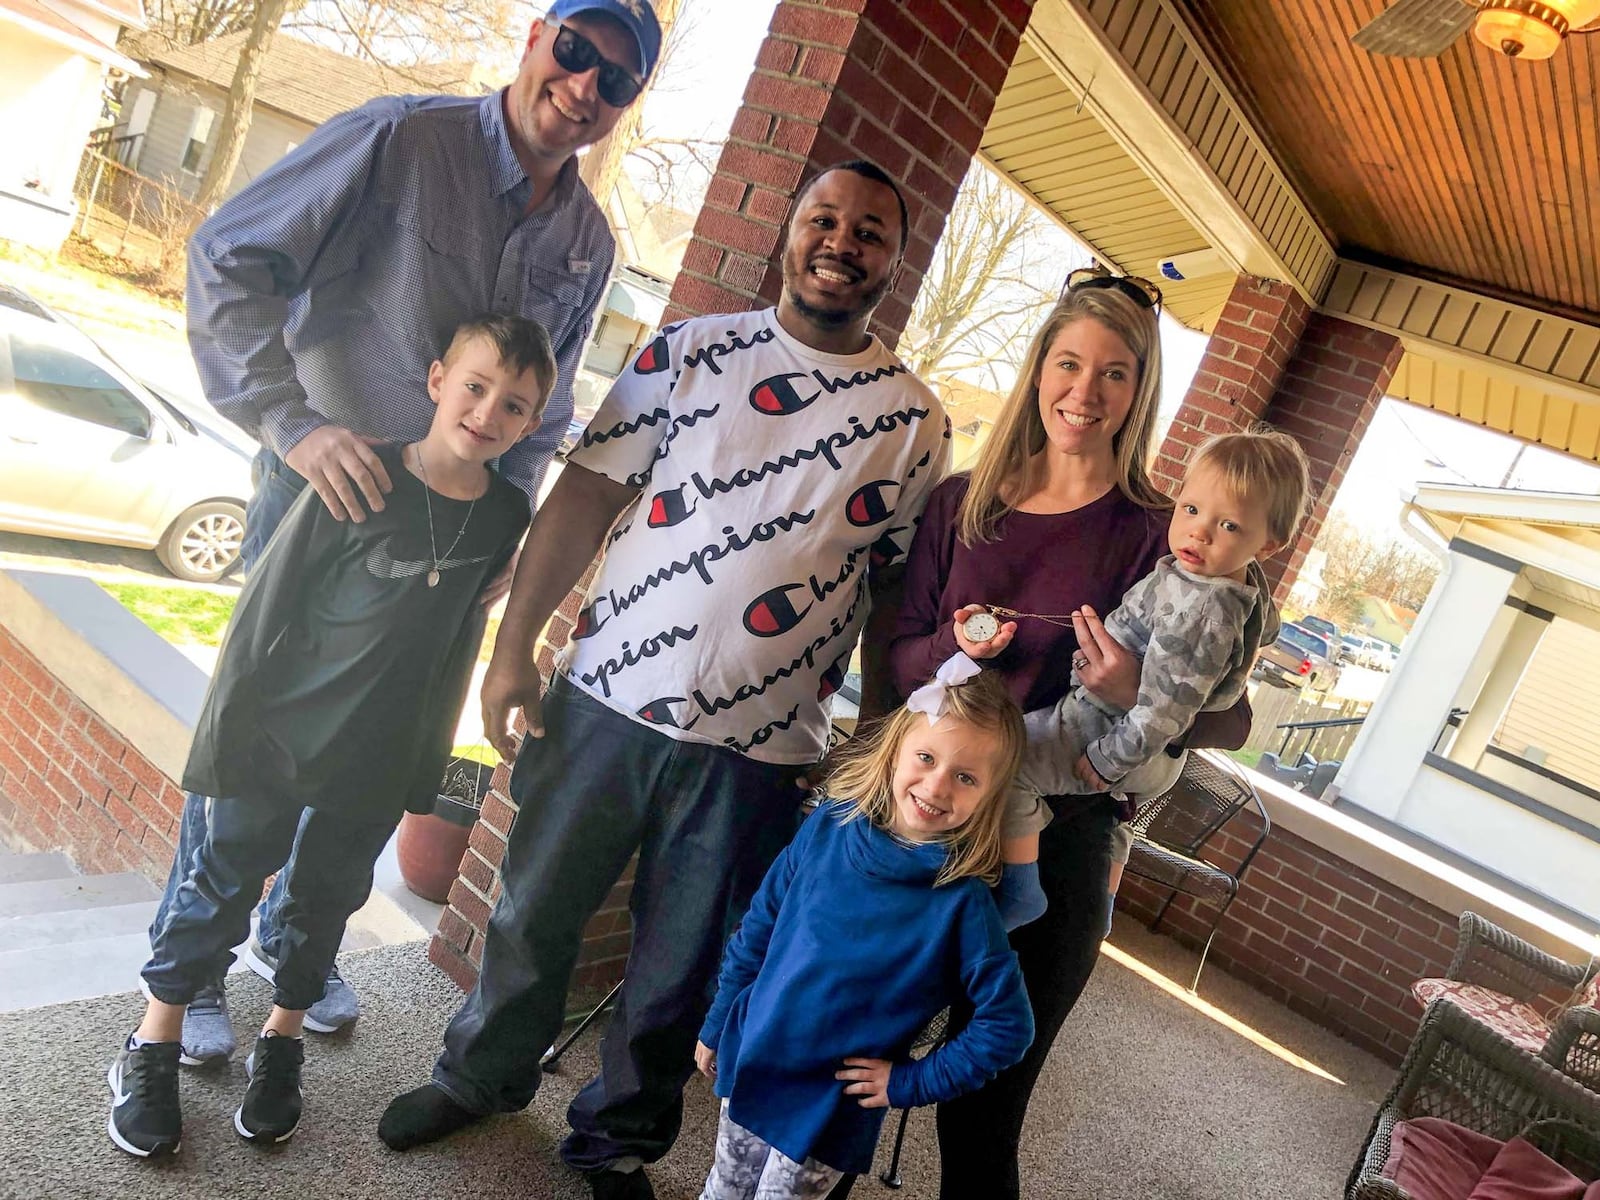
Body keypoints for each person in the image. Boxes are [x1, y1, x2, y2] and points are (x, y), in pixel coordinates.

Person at [377, 161, 951, 1200]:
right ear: (789, 229)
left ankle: (618, 1139)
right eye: (823, 217)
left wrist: (873, 750)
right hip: (603, 701)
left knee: (680, 968)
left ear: (893, 263)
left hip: (764, 749)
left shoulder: (913, 419)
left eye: (869, 231)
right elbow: (585, 495)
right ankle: (479, 1077)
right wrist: (513, 652)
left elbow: (895, 595)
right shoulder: (692, 350)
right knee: (531, 913)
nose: (841, 240)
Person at [162, 0, 662, 1064]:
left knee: (378, 738)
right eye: (575, 53)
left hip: (449, 543)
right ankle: (192, 969)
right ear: (536, 37)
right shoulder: (402, 137)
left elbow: (549, 408)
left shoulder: (587, 241)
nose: (584, 87)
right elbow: (227, 257)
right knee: (258, 730)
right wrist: (292, 427)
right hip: (322, 503)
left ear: (627, 105)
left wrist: (503, 528)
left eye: (615, 81)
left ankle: (295, 949)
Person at [106, 315, 554, 1159]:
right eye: (475, 385)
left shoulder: (504, 514)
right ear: (435, 380)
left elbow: (461, 645)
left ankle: (280, 1040)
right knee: (221, 884)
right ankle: (152, 1041)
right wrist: (223, 737)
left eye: (515, 405)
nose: (488, 412)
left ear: (532, 426)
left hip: (376, 757)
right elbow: (263, 612)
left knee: (326, 899)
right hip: (277, 731)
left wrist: (428, 766)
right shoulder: (362, 472)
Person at [879, 271, 1255, 1200]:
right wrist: (955, 641)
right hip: (925, 813)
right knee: (845, 1057)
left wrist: (1133, 690)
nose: (1085, 394)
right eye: (1069, 364)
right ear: (1039, 369)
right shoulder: (962, 503)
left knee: (984, 1111)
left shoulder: (1170, 535)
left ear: (1141, 393)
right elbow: (892, 659)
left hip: (1060, 841)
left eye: (1116, 374)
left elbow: (1234, 713)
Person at [694, 657, 1034, 1200]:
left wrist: (910, 1083)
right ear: (897, 749)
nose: (937, 785)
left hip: (830, 1107)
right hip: (756, 1052)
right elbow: (761, 923)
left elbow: (1008, 1026)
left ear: (989, 795)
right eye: (926, 757)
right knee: (721, 1190)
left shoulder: (964, 907)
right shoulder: (828, 825)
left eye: (965, 776)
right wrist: (718, 1019)